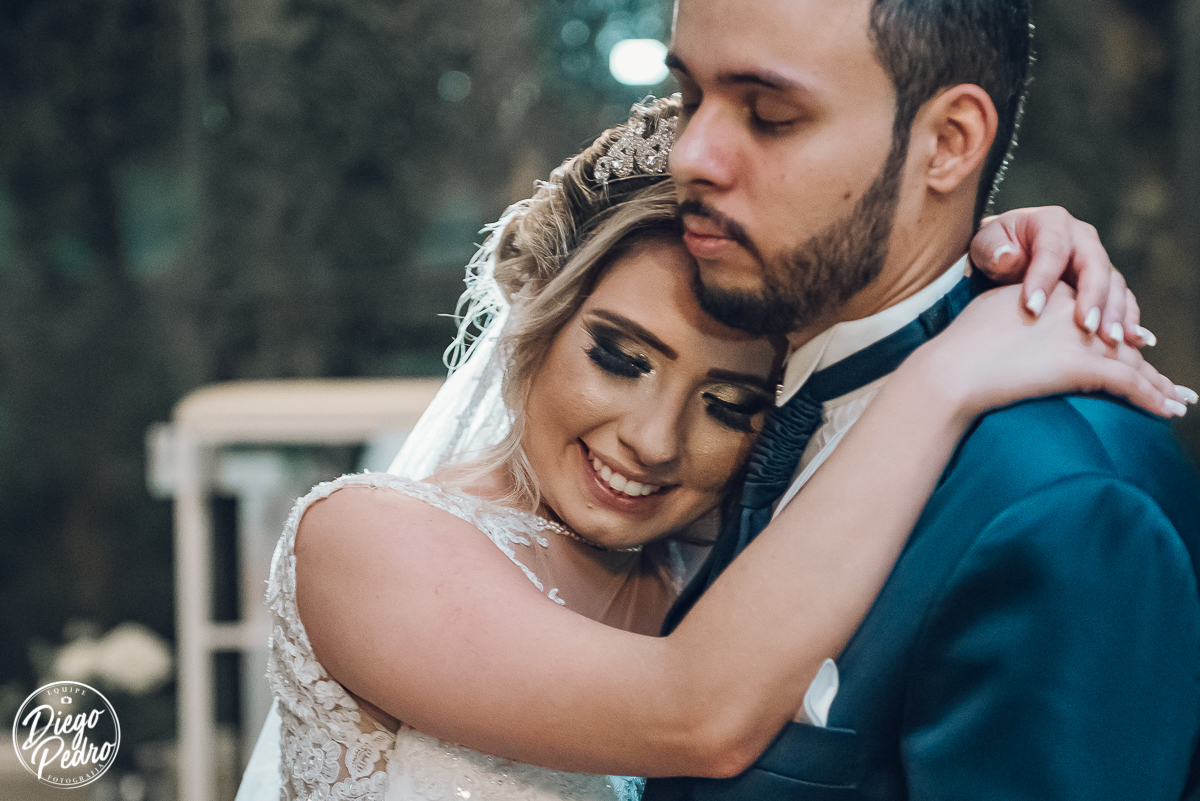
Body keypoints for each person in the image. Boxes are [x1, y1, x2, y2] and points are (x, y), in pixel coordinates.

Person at [233, 96, 1188, 801]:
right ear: (537, 316)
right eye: (619, 358)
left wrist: (984, 265)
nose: (652, 442)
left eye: (730, 406)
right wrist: (949, 374)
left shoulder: (724, 558)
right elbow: (691, 714)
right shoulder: (362, 541)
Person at [645, 1, 1200, 799]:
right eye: (690, 99)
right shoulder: (744, 386)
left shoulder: (1066, 501)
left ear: (949, 142)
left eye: (770, 116)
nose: (689, 155)